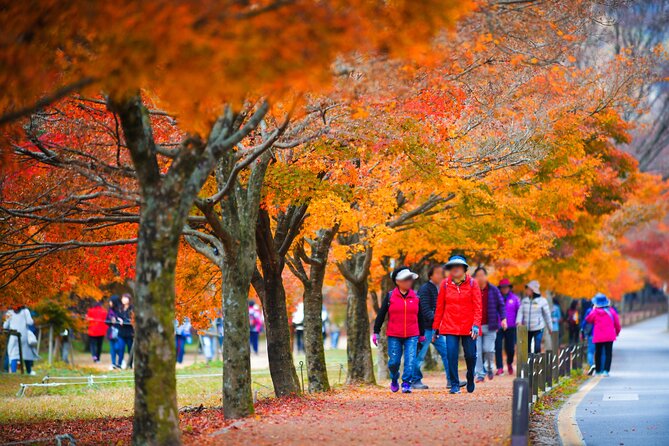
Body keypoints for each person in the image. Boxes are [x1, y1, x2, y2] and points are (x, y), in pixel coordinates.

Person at [433, 255, 482, 394]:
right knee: (451, 354)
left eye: (458, 266)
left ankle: (470, 377)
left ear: (464, 268)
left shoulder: (473, 283)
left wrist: (476, 325)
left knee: (471, 355)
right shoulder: (445, 284)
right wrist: (435, 327)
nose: (455, 269)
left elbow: (478, 306)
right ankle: (454, 384)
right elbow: (440, 307)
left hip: (469, 326)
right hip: (450, 325)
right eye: (452, 266)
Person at [373, 266, 425, 393]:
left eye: (410, 279)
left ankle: (407, 383)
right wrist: (376, 331)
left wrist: (422, 334)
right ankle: (394, 378)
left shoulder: (416, 297)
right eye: (406, 279)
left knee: (410, 360)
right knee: (394, 362)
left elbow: (421, 316)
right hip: (394, 334)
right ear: (398, 281)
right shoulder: (390, 296)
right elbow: (381, 314)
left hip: (412, 334)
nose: (409, 282)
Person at [412, 264, 459, 389]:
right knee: (420, 355)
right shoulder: (426, 289)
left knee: (448, 353)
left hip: (436, 329)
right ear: (430, 275)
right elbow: (425, 310)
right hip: (426, 329)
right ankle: (415, 380)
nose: (440, 275)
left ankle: (452, 380)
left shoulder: (441, 288)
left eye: (441, 273)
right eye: (437, 273)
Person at [473, 267, 506, 382]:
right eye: (478, 275)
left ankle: (489, 367)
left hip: (491, 325)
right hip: (476, 326)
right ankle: (480, 374)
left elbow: (501, 305)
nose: (480, 277)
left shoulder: (493, 290)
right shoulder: (472, 289)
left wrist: (503, 319)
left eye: (482, 275)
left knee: (488, 349)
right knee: (477, 351)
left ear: (486, 276)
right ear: (475, 277)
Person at [585, 293, 621, 376]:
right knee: (608, 353)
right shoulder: (611, 311)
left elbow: (588, 319)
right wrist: (617, 332)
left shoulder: (595, 312)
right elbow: (617, 324)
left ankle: (598, 371)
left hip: (598, 336)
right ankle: (606, 371)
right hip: (609, 336)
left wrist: (593, 309)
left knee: (598, 353)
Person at [516, 280, 552, 353]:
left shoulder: (542, 301)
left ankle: (537, 362)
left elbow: (547, 315)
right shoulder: (524, 301)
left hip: (538, 327)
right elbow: (520, 312)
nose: (526, 290)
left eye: (528, 289)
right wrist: (518, 321)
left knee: (537, 346)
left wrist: (550, 328)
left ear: (533, 290)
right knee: (527, 348)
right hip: (527, 329)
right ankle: (529, 363)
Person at [3, 306, 39, 374]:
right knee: (26, 353)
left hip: (13, 336)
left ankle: (13, 372)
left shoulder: (9, 312)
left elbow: (5, 326)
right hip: (24, 335)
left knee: (14, 354)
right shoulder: (25, 311)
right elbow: (30, 322)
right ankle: (29, 371)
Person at [495, 278, 520, 375]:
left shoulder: (515, 299)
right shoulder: (496, 298)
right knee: (498, 347)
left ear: (509, 288)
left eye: (507, 287)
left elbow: (519, 311)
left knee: (510, 348)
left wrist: (519, 322)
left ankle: (509, 363)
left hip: (511, 326)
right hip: (498, 326)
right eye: (503, 287)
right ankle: (500, 367)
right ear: (500, 288)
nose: (505, 289)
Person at [106, 295, 123, 370]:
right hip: (111, 332)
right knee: (112, 348)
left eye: (111, 301)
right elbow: (106, 321)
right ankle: (113, 363)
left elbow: (122, 318)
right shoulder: (110, 311)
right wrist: (110, 320)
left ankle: (120, 362)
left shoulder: (120, 310)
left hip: (119, 332)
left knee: (118, 348)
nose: (110, 303)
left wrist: (117, 319)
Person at [118, 294, 135, 369]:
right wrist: (118, 320)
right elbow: (117, 316)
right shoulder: (120, 308)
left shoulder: (132, 308)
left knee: (130, 349)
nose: (124, 300)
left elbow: (132, 319)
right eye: (123, 298)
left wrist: (124, 321)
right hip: (121, 332)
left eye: (125, 298)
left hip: (129, 332)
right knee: (120, 348)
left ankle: (130, 365)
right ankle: (119, 364)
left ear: (129, 299)